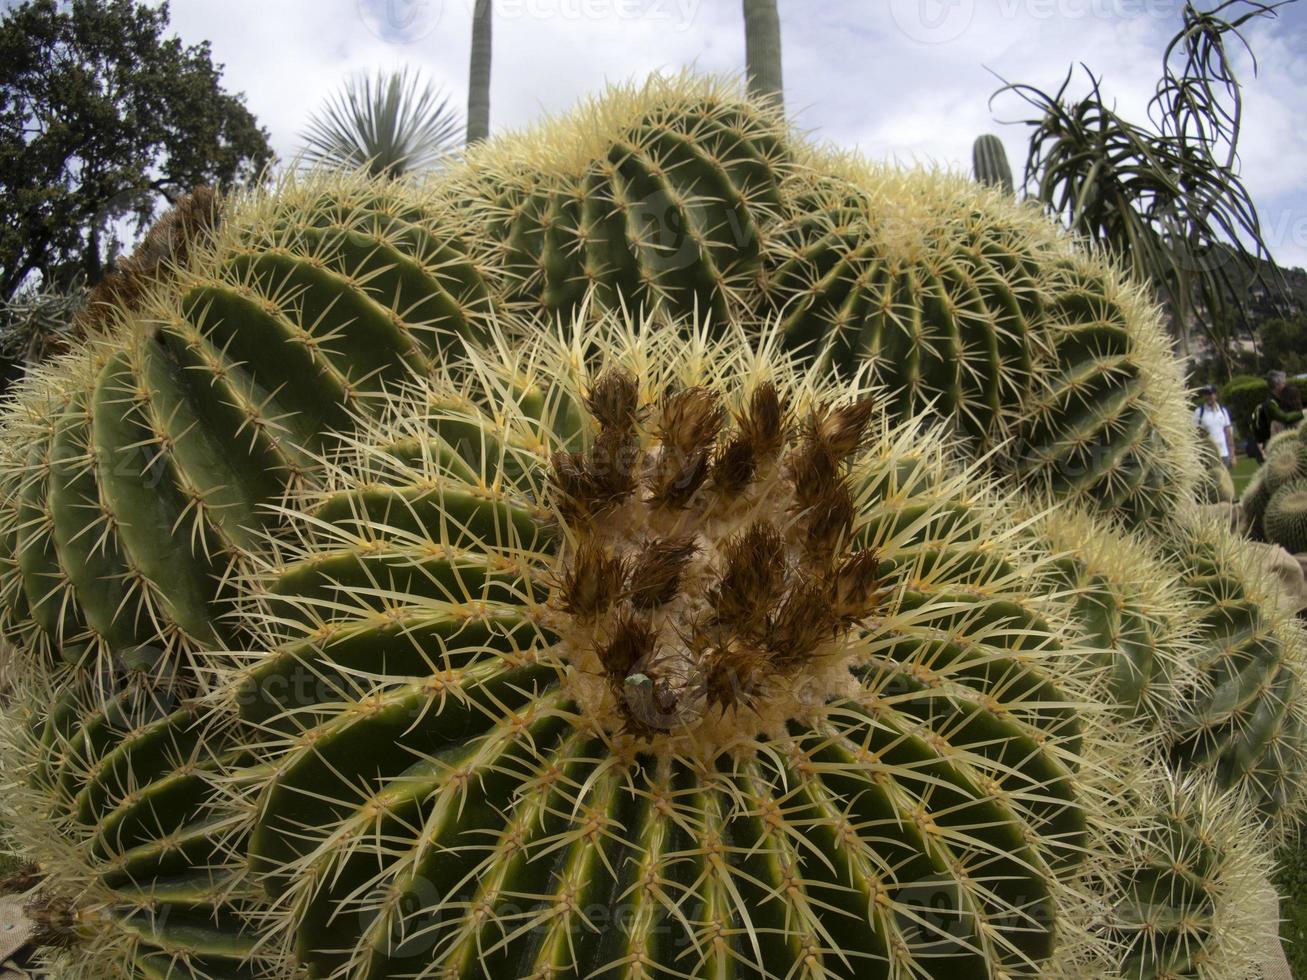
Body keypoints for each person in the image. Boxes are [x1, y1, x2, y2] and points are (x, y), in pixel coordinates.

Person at [1194, 384, 1235, 469]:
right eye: (1205, 394)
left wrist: (1232, 455)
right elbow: (1195, 434)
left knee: (1225, 481)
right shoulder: (1199, 412)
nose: (1208, 397)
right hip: (1208, 456)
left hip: (1224, 454)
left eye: (1210, 394)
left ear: (1215, 395)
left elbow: (1228, 434)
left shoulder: (1223, 411)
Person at [1265, 370, 1305, 444]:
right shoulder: (1270, 403)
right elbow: (1285, 418)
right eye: (1283, 383)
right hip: (1280, 435)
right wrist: (1302, 413)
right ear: (1277, 386)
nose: (1285, 384)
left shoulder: (1286, 393)